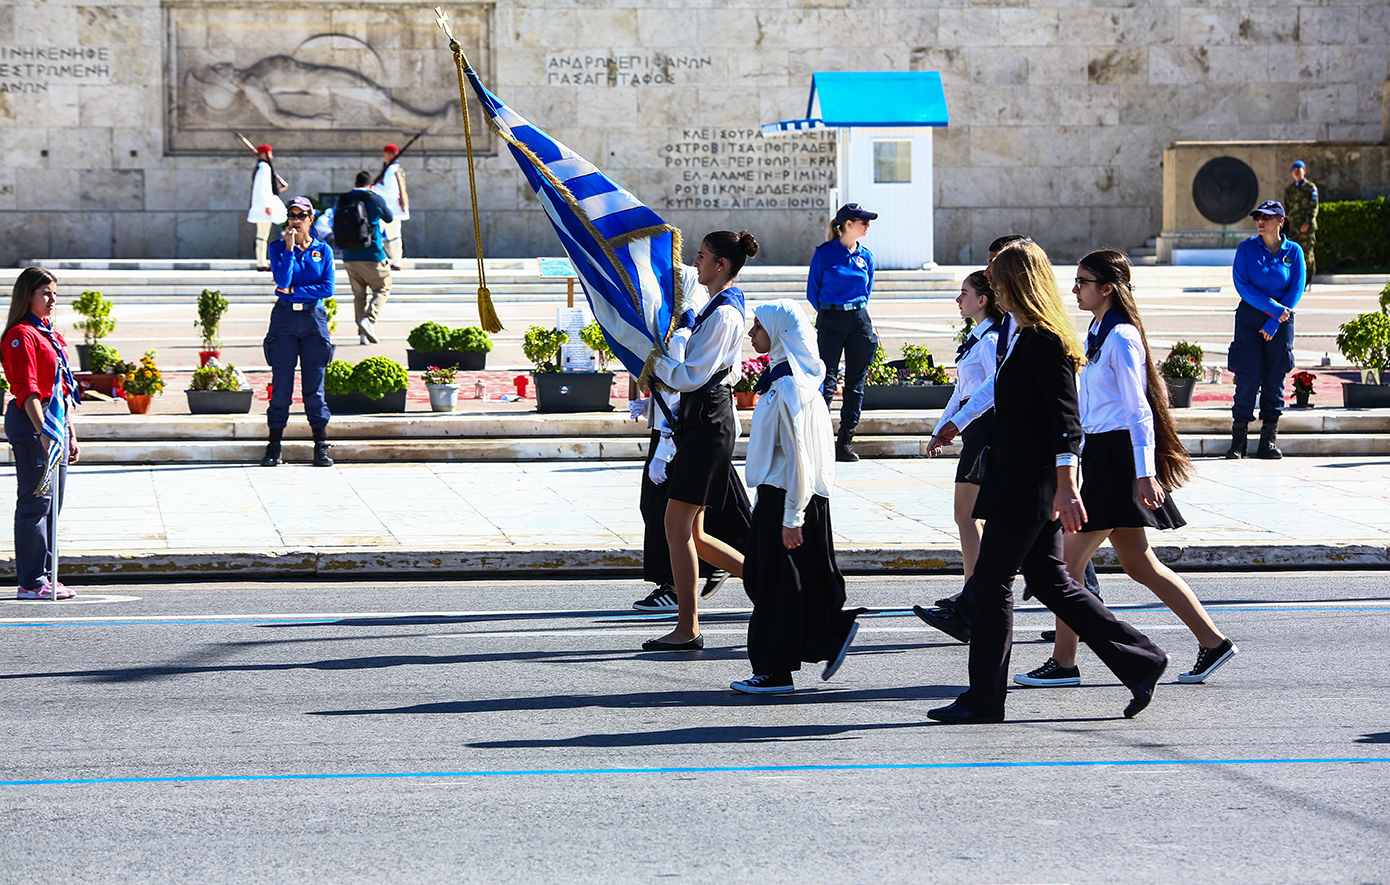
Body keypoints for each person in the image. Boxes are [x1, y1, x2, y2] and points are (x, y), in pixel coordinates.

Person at [926, 240, 1167, 725]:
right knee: (1050, 580)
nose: (990, 282)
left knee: (992, 582)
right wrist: (957, 421)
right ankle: (1140, 658)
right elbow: (997, 391)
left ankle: (984, 698)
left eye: (999, 275)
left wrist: (1066, 485)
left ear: (1019, 280)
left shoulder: (1047, 341)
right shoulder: (1015, 333)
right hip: (1017, 477)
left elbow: (1066, 421)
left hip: (1031, 482)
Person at [1014, 250, 1238, 690]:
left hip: (1117, 458)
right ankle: (1213, 642)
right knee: (1139, 564)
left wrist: (1145, 472)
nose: (1074, 289)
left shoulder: (1121, 337)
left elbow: (1139, 410)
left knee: (1064, 564)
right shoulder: (1097, 331)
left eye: (1083, 281)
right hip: (1100, 452)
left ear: (1107, 288)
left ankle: (1064, 664)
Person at [731, 299, 865, 694]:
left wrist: (792, 516)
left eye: (757, 326)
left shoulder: (789, 387)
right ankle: (831, 632)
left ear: (780, 333)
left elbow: (799, 455)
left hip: (787, 496)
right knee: (798, 577)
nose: (751, 333)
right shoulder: (793, 381)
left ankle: (774, 671)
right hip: (795, 496)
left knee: (769, 581)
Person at [642, 230, 756, 651]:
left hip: (709, 422)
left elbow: (693, 373)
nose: (696, 263)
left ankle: (688, 627)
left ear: (721, 264)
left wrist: (656, 368)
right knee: (695, 535)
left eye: (703, 256)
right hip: (701, 419)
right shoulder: (717, 307)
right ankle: (777, 590)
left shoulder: (725, 312)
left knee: (677, 527)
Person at [632, 384, 748, 612]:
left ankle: (677, 591)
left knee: (675, 523)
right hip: (682, 424)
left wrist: (663, 452)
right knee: (694, 525)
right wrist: (652, 405)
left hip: (689, 426)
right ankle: (766, 583)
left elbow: (682, 384)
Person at [2, 267, 79, 600]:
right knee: (35, 501)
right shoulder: (21, 334)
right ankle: (31, 581)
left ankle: (47, 574)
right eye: (45, 293)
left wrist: (69, 433)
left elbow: (60, 388)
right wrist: (42, 432)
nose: (52, 299)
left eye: (54, 293)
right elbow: (28, 389)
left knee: (53, 501)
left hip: (53, 420)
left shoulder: (49, 333)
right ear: (27, 295)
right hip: (33, 421)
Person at [926, 270, 1004, 580]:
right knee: (971, 515)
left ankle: (977, 589)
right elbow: (960, 392)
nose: (959, 299)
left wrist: (956, 424)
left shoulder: (991, 340)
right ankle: (977, 587)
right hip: (974, 429)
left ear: (982, 300)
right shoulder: (979, 339)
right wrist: (940, 428)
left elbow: (992, 390)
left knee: (967, 513)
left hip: (985, 429)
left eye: (965, 293)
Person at [1226, 200, 1304, 460]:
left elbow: (1295, 289)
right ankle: (1239, 441)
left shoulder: (1294, 251)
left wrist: (1273, 320)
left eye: (1267, 217)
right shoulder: (1246, 249)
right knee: (1247, 377)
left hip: (1281, 320)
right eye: (1258, 217)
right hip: (1250, 317)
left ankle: (1268, 441)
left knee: (1275, 377)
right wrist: (1272, 309)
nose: (1261, 221)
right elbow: (1243, 286)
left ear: (1280, 221)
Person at [262, 196, 336, 468]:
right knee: (282, 384)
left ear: (310, 219)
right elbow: (281, 280)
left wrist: (295, 291)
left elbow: (327, 288)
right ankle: (274, 445)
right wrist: (291, 250)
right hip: (284, 321)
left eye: (300, 216)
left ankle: (321, 445)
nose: (295, 221)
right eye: (291, 216)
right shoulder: (278, 247)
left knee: (314, 388)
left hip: (313, 319)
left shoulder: (323, 250)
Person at [808, 203, 878, 463]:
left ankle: (845, 441)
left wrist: (852, 309)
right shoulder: (825, 254)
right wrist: (830, 312)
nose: (867, 226)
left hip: (858, 319)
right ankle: (821, 439)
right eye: (863, 222)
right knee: (826, 380)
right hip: (830, 319)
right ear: (848, 224)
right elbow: (812, 291)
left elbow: (867, 288)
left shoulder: (866, 256)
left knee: (855, 384)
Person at [336, 171, 394, 346]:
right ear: (371, 185)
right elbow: (389, 218)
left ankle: (362, 334)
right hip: (372, 254)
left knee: (359, 295)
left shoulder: (344, 198)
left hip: (348, 256)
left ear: (355, 182)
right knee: (383, 288)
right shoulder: (374, 199)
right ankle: (369, 320)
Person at [247, 144, 288, 272]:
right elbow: (262, 188)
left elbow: (267, 189)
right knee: (262, 236)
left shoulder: (262, 167)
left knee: (263, 235)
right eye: (270, 153)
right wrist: (267, 205)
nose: (271, 156)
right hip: (264, 206)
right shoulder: (264, 167)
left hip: (264, 205)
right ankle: (261, 262)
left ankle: (262, 261)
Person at [372, 145, 410, 271]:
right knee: (390, 236)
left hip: (391, 209)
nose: (384, 156)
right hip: (392, 208)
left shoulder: (391, 170)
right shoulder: (394, 169)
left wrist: (375, 188)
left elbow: (391, 192)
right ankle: (392, 260)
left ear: (391, 155)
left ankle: (395, 261)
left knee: (392, 236)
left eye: (386, 154)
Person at [1283, 161, 1318, 283]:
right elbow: (1287, 208)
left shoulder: (1310, 188)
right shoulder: (1289, 190)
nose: (1297, 171)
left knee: (1306, 252)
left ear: (1304, 171)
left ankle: (1308, 279)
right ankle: (1294, 279)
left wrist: (1308, 222)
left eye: (1299, 169)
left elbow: (1313, 207)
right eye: (1294, 169)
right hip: (1293, 226)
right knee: (1291, 253)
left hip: (1305, 226)